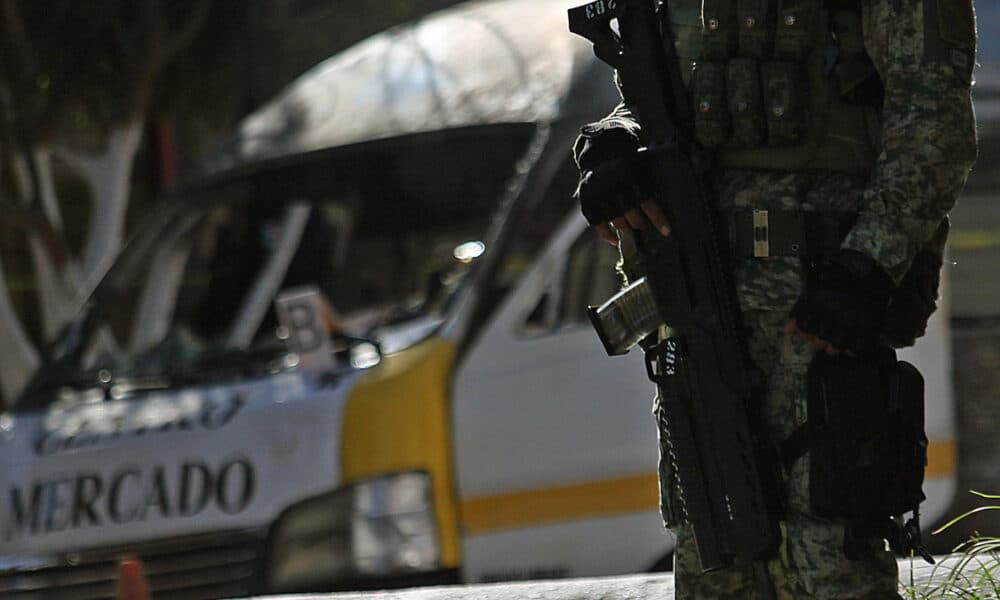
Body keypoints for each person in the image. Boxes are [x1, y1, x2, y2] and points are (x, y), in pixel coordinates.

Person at [573, 1, 977, 598]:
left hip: (820, 318)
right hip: (698, 313)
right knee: (715, 558)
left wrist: (867, 265)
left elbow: (934, 124)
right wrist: (616, 142)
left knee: (831, 566)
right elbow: (672, 94)